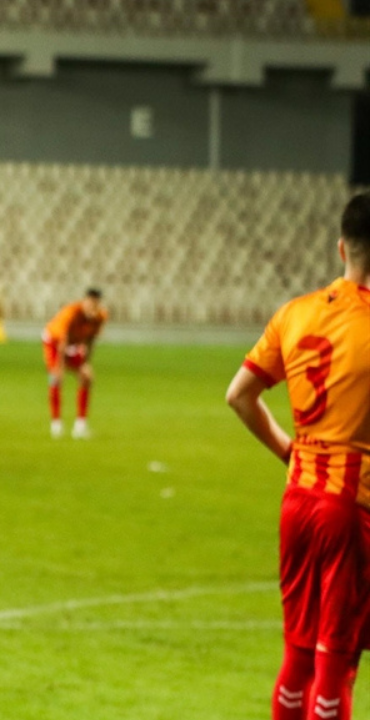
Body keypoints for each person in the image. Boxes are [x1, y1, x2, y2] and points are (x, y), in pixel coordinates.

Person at [226, 191, 370, 720]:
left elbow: (239, 396)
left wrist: (289, 450)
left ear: (341, 248)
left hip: (299, 500)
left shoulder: (294, 313)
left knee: (298, 654)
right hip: (348, 506)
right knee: (337, 665)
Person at [42, 288, 107, 439]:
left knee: (87, 377)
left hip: (72, 344)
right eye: (90, 303)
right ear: (85, 301)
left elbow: (90, 340)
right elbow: (62, 339)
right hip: (53, 342)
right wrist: (59, 366)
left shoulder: (100, 317)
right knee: (56, 378)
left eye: (96, 304)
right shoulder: (70, 312)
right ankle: (56, 424)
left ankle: (80, 426)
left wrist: (86, 362)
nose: (93, 307)